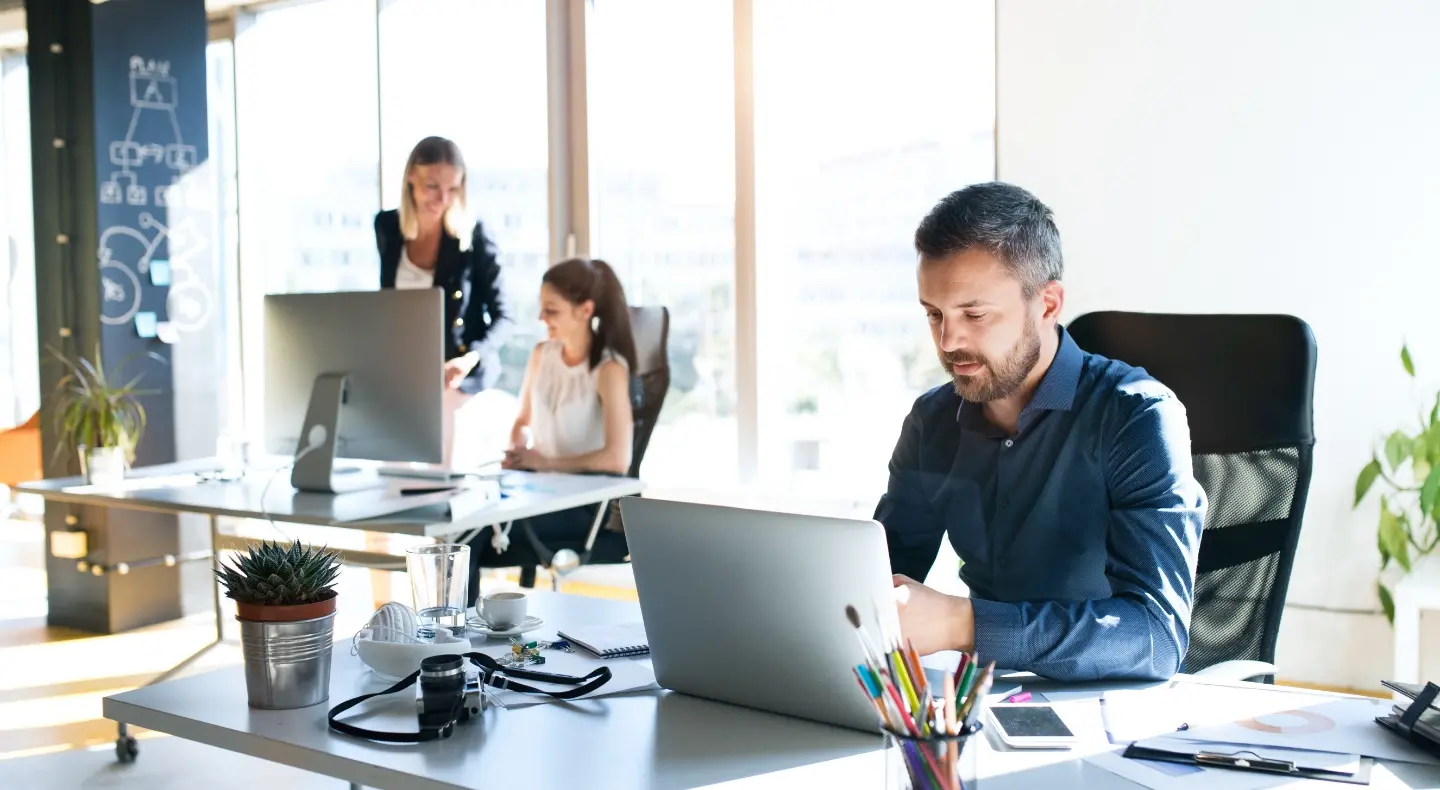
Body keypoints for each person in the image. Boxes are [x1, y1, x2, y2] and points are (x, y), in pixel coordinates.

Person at [879, 182, 1206, 682]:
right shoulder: (932, 422)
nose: (948, 340)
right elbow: (878, 580)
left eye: (975, 313)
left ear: (1048, 304)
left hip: (1113, 711)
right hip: (984, 701)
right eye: (934, 314)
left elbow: (1156, 638)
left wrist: (962, 622)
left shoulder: (1138, 417)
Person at [467, 258, 637, 603]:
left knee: (469, 537)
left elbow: (617, 459)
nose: (541, 318)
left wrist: (543, 463)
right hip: (536, 492)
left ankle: (453, 642)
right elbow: (522, 421)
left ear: (584, 310)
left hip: (583, 507)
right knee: (460, 523)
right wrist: (517, 451)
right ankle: (452, 639)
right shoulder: (542, 354)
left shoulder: (608, 370)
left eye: (551, 310)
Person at [374, 136, 510, 467]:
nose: (443, 198)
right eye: (433, 187)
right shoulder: (388, 227)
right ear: (410, 178)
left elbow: (504, 317)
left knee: (440, 449)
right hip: (406, 366)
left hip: (459, 370)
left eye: (453, 189)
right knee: (388, 454)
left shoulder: (473, 236)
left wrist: (469, 360)